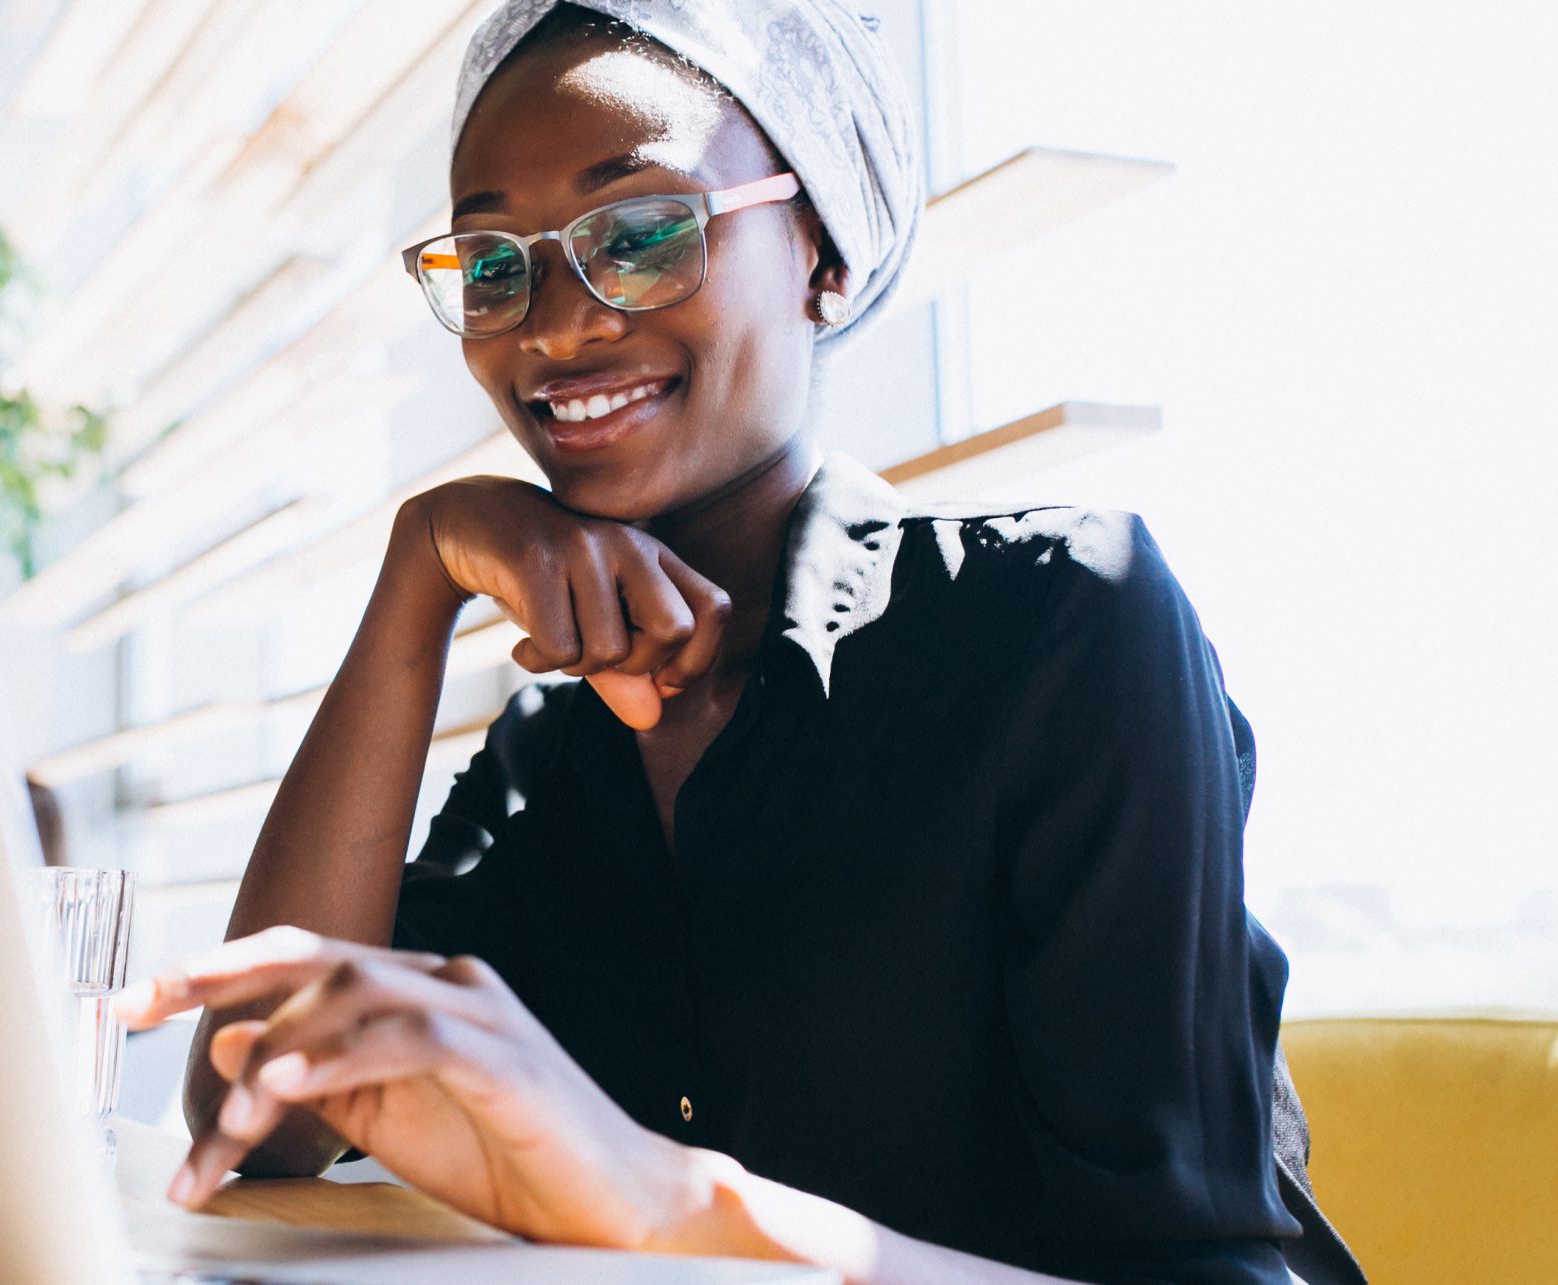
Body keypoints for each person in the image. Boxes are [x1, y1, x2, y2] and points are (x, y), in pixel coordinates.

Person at [116, 4, 1364, 1282]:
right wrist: (417, 572)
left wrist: (670, 1202)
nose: (554, 326)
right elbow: (257, 1120)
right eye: (495, 264)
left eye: (645, 233)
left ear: (817, 253)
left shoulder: (1061, 620)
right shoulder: (556, 749)